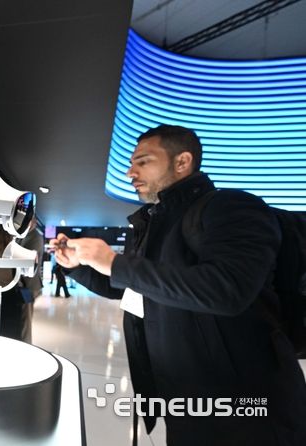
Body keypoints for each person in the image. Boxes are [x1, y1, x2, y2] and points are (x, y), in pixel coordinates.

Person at [53, 124, 306, 445]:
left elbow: (227, 290)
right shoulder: (154, 224)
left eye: (143, 161)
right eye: (131, 163)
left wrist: (115, 263)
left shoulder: (232, 207)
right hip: (185, 399)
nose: (130, 172)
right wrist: (78, 268)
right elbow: (133, 289)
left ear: (182, 162)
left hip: (249, 406)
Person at [19, 217, 44, 343]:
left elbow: (27, 259)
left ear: (33, 222)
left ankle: (26, 343)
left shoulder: (35, 237)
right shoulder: (26, 235)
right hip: (26, 284)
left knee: (26, 318)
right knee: (23, 318)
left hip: (28, 284)